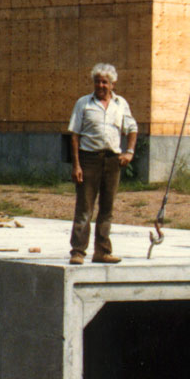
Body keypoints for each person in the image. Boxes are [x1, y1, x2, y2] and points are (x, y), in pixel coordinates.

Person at [67, 63, 138, 265]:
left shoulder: (120, 104)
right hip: (89, 159)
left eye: (104, 82)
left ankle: (102, 251)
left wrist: (130, 152)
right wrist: (76, 165)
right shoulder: (83, 103)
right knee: (84, 207)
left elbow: (132, 128)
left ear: (112, 84)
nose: (100, 85)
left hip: (112, 160)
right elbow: (74, 136)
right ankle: (78, 251)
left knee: (107, 208)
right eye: (97, 81)